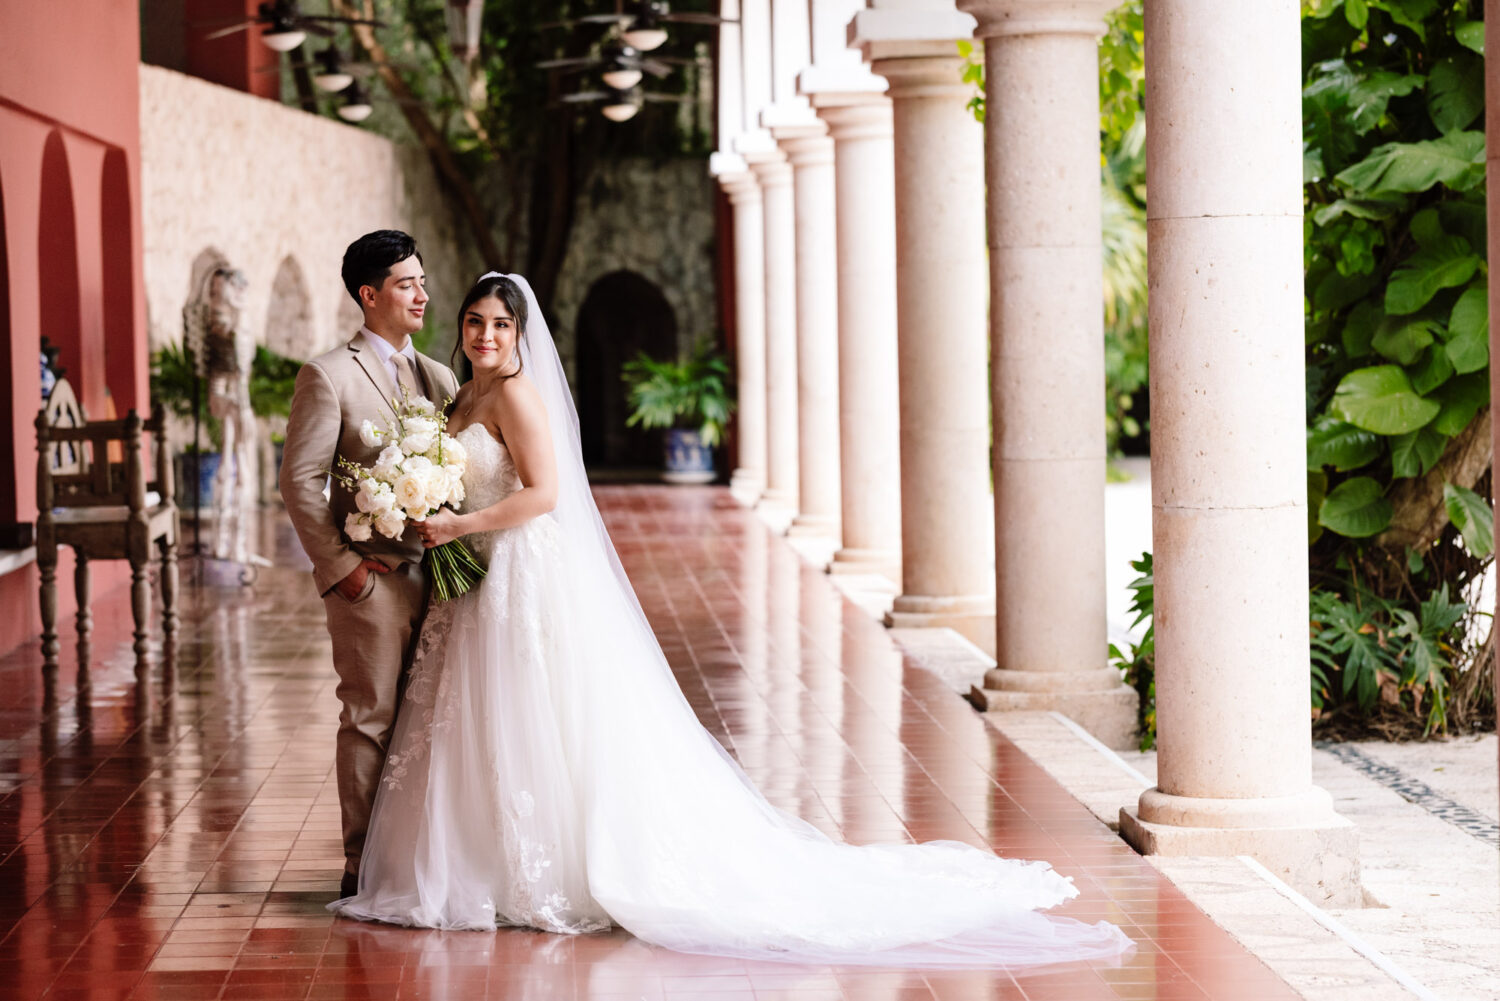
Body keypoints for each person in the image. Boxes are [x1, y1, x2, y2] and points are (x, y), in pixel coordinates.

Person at [330, 272, 1132, 968]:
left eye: (501, 325)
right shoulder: (462, 393)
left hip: (517, 571)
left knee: (526, 711)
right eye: (475, 322)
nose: (486, 335)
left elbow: (546, 494)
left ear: (520, 333)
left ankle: (541, 867)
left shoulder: (514, 395)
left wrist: (462, 524)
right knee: (475, 717)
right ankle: (479, 860)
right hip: (472, 577)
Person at [279, 230, 459, 900]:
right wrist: (343, 569)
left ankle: (414, 859)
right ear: (370, 294)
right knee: (369, 718)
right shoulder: (328, 374)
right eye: (408, 284)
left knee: (429, 720)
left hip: (439, 580)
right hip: (371, 582)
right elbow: (300, 481)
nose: (422, 295)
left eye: (422, 282)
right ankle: (361, 867)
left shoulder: (440, 377)